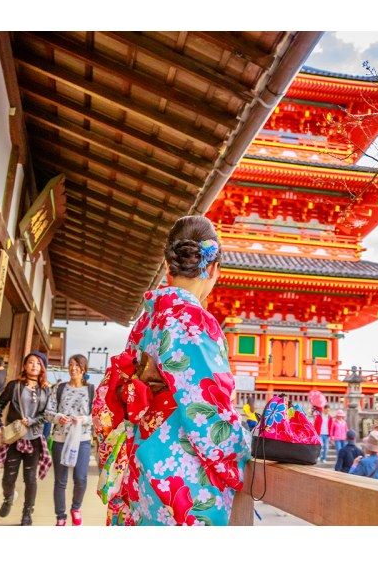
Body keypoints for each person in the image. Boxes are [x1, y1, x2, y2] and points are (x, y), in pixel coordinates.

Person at [92, 215, 250, 526]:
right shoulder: (194, 322)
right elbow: (207, 414)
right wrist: (245, 448)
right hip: (181, 479)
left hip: (142, 469)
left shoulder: (146, 323)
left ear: (169, 265)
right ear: (214, 267)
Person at [0, 351, 52, 526]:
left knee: (30, 478)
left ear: (42, 368)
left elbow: (47, 414)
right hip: (14, 438)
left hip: (34, 439)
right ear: (24, 366)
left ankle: (27, 513)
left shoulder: (46, 389)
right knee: (8, 478)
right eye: (31, 362)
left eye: (38, 363)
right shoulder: (14, 385)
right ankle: (9, 497)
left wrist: (32, 421)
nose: (34, 366)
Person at [44, 353, 94, 526]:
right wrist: (59, 417)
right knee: (61, 480)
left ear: (84, 369)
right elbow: (47, 413)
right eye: (71, 364)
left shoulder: (91, 390)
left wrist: (83, 419)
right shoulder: (58, 388)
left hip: (82, 440)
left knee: (80, 478)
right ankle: (60, 516)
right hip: (60, 439)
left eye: (77, 365)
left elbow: (98, 415)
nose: (73, 368)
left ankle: (76, 507)